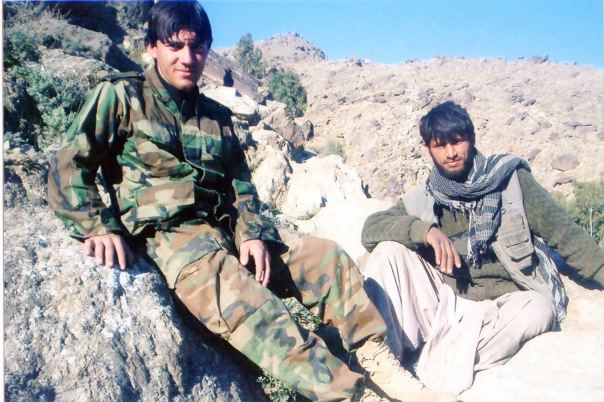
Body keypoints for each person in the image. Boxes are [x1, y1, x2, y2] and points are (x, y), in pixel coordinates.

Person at [47, 2, 456, 401]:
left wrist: (252, 233)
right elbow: (69, 165)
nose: (187, 57)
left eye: (197, 46)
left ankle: (378, 361)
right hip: (172, 239)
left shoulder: (216, 116)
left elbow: (241, 186)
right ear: (152, 47)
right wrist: (97, 226)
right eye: (175, 46)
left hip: (226, 228)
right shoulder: (121, 97)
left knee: (326, 258)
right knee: (258, 311)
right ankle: (355, 395)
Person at [361, 101, 604, 395]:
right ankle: (387, 365)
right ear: (428, 149)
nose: (450, 153)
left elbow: (565, 234)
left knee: (539, 309)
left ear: (472, 138)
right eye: (440, 146)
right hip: (446, 299)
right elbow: (371, 228)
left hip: (502, 304)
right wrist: (425, 231)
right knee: (387, 252)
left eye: (457, 142)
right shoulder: (426, 195)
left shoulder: (510, 180)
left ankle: (438, 366)